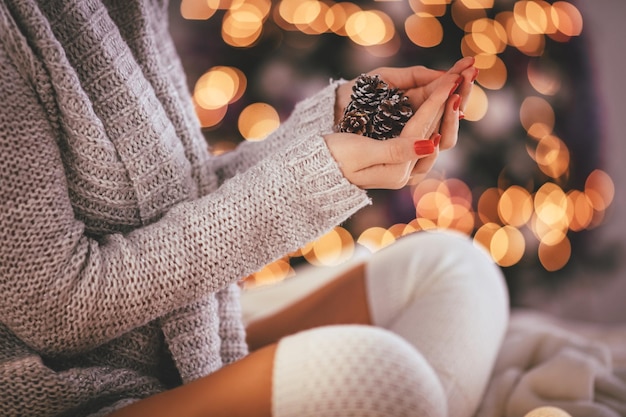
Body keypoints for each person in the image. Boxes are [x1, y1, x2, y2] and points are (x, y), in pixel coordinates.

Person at [0, 0, 509, 416]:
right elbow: (57, 304)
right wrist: (315, 176)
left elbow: (179, 192)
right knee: (384, 379)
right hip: (82, 395)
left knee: (458, 267)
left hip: (185, 350)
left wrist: (341, 124)